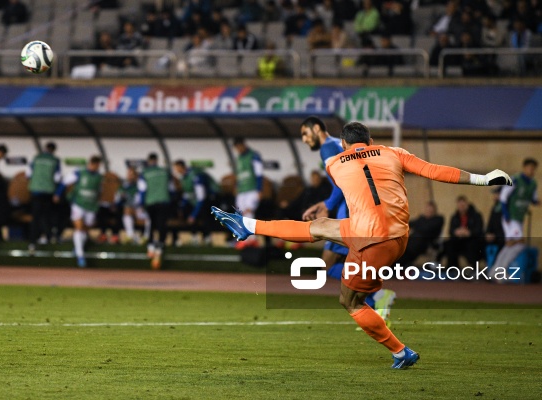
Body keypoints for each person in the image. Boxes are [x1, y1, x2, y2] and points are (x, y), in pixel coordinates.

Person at [212, 121, 512, 369]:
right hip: (396, 234)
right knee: (320, 228)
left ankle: (400, 351)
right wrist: (483, 179)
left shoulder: (335, 164)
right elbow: (435, 171)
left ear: (344, 144)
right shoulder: (394, 152)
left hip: (371, 240)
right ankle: (248, 225)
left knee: (350, 300)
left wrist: (329, 195)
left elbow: (342, 183)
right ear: (371, 140)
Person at [299, 117, 396, 326]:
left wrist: (328, 205)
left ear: (317, 128)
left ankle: (377, 297)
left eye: (305, 134)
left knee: (328, 264)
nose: (304, 139)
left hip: (349, 211)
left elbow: (343, 183)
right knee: (350, 264)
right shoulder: (335, 145)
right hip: (354, 209)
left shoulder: (328, 148)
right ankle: (376, 299)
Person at [490, 158, 538, 280]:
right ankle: (501, 269)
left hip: (519, 218)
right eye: (530, 168)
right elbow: (503, 196)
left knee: (510, 244)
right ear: (524, 167)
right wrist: (506, 215)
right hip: (511, 218)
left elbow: (533, 199)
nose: (531, 171)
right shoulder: (515, 180)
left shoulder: (533, 184)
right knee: (519, 244)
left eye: (533, 168)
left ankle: (496, 270)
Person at [54, 155, 103, 268]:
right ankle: (80, 256)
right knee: (79, 227)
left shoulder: (99, 177)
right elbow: (64, 182)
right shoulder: (79, 173)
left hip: (91, 206)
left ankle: (77, 248)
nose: (97, 167)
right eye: (96, 165)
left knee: (86, 228)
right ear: (92, 164)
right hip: (78, 204)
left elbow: (99, 191)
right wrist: (58, 194)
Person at [138, 153, 174, 269]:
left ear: (149, 161)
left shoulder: (145, 173)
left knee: (151, 224)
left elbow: (142, 190)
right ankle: (160, 246)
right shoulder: (165, 172)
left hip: (151, 202)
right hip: (164, 201)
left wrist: (142, 204)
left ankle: (151, 247)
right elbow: (171, 189)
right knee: (162, 224)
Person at [172, 160, 218, 246]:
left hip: (207, 200)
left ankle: (207, 237)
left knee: (203, 213)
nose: (176, 171)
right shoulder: (184, 178)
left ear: (182, 167)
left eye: (177, 168)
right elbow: (187, 194)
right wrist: (181, 207)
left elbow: (201, 197)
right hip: (194, 201)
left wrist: (194, 215)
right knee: (186, 212)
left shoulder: (195, 176)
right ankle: (194, 236)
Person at [27, 142, 61, 254]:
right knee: (46, 216)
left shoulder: (36, 158)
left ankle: (32, 242)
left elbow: (28, 174)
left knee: (35, 217)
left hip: (35, 191)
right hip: (48, 191)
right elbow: (57, 177)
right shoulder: (55, 160)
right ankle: (46, 237)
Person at [232, 136, 263, 250]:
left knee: (249, 212)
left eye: (239, 147)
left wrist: (259, 189)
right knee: (240, 214)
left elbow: (259, 173)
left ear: (243, 145)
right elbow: (239, 175)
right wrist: (236, 186)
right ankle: (244, 238)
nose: (238, 150)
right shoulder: (239, 158)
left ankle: (252, 240)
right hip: (242, 191)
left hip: (252, 189)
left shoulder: (254, 156)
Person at [396, 201, 444, 267]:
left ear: (434, 211)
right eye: (428, 209)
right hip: (414, 241)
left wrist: (418, 226)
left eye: (431, 210)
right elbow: (411, 223)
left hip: (427, 242)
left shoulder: (439, 219)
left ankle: (398, 266)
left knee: (411, 249)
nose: (429, 211)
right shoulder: (422, 218)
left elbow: (428, 229)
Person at [444, 195, 484, 270]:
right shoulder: (454, 216)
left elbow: (479, 230)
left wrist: (469, 233)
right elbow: (451, 230)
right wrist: (456, 232)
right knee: (449, 244)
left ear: (467, 205)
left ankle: (474, 269)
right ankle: (453, 268)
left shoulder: (476, 215)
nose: (461, 207)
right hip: (459, 240)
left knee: (472, 246)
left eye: (463, 205)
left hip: (472, 239)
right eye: (460, 205)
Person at [115, 166, 150, 245]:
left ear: (136, 175)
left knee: (150, 216)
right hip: (130, 208)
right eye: (128, 174)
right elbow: (117, 199)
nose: (130, 176)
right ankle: (130, 236)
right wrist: (121, 197)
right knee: (126, 210)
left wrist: (141, 205)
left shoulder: (141, 184)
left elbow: (143, 197)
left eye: (132, 174)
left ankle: (146, 236)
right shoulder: (124, 185)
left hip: (141, 209)